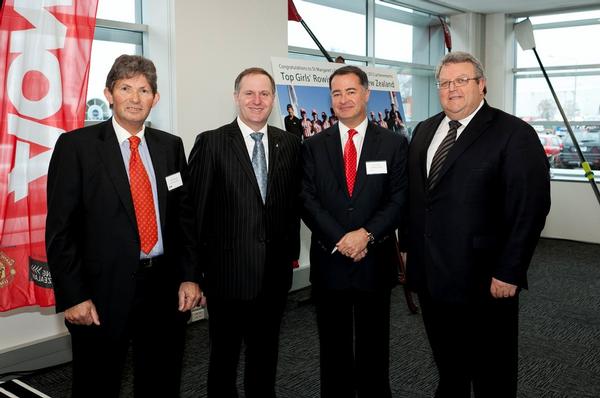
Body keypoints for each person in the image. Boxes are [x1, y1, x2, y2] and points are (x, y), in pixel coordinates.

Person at [46, 55, 201, 398]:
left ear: (155, 98)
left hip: (164, 288)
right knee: (97, 384)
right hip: (101, 293)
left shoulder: (170, 146)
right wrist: (74, 296)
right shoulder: (77, 147)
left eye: (144, 90)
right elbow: (61, 231)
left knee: (161, 380)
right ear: (109, 93)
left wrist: (190, 275)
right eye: (125, 88)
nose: (135, 97)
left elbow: (184, 218)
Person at [405, 51, 551, 398]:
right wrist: (408, 250)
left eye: (461, 80)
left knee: (492, 372)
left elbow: (530, 208)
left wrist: (510, 270)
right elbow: (417, 199)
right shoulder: (425, 130)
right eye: (444, 82)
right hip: (431, 276)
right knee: (449, 365)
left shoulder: (514, 133)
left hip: (486, 279)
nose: (451, 89)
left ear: (481, 85)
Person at [188, 67, 301, 398]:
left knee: (265, 356)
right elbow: (194, 214)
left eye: (264, 93)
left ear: (273, 99)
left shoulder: (290, 144)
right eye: (249, 93)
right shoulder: (211, 143)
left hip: (274, 275)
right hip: (226, 276)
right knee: (224, 358)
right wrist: (195, 273)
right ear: (236, 96)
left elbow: (295, 204)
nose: (257, 100)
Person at [301, 65, 408, 398]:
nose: (343, 99)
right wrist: (340, 238)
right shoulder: (313, 145)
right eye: (336, 93)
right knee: (332, 349)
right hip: (330, 260)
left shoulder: (393, 143)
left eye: (350, 91)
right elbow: (307, 199)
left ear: (366, 94)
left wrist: (367, 235)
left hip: (374, 261)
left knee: (374, 347)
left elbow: (399, 197)